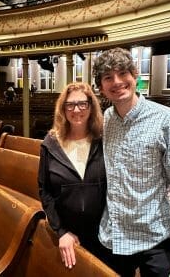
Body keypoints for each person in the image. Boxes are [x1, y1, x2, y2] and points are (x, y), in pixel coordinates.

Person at [92, 47, 170, 277]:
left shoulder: (166, 119)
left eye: (123, 73)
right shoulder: (107, 119)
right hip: (115, 235)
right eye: (108, 77)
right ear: (101, 87)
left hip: (155, 236)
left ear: (135, 77)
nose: (117, 82)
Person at [38, 82, 107, 269]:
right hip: (68, 234)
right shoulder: (50, 143)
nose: (76, 110)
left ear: (91, 106)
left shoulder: (104, 140)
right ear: (63, 109)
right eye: (70, 105)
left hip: (103, 234)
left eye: (82, 104)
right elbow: (45, 191)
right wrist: (61, 231)